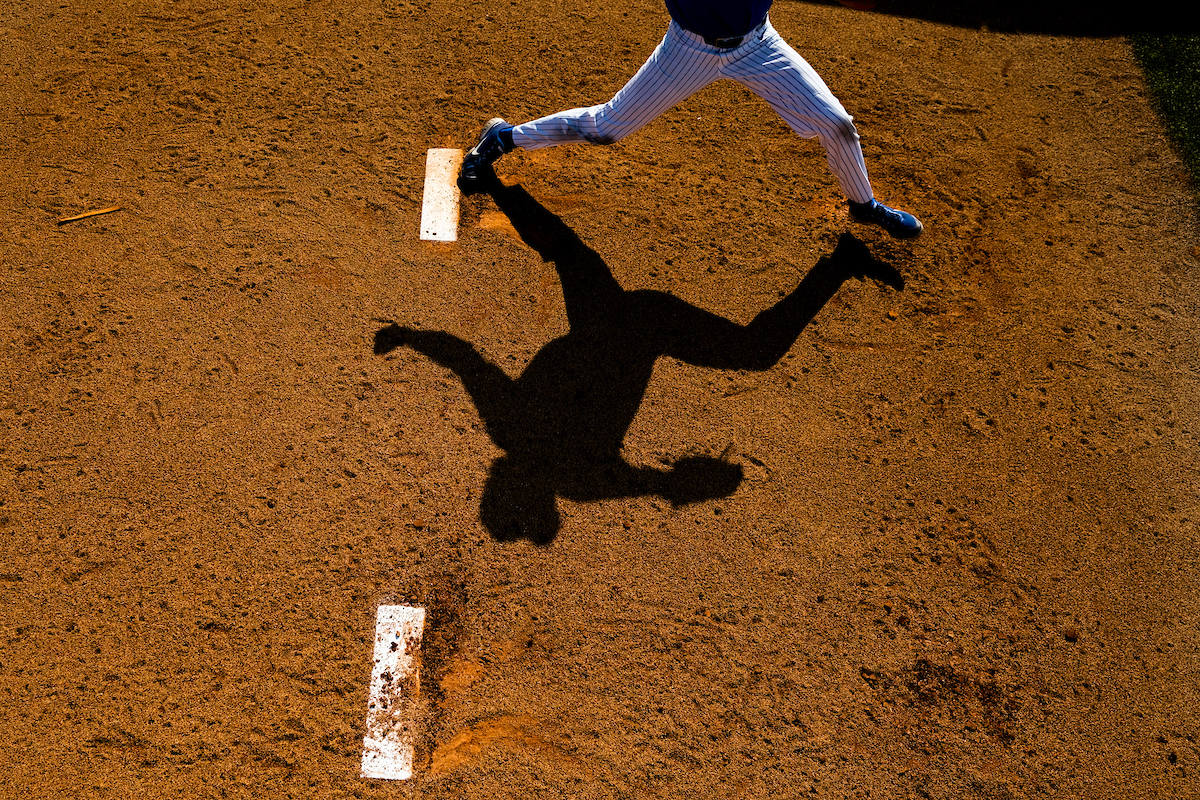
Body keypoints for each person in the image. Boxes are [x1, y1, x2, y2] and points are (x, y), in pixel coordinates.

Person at [459, 0, 922, 239]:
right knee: (605, 128)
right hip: (689, 49)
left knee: (837, 123)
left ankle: (864, 206)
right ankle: (505, 137)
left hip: (759, 44)